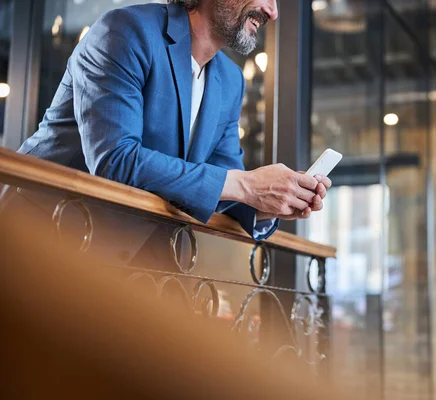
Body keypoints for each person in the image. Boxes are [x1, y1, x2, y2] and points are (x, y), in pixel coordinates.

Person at [16, 0, 332, 241]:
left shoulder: (231, 80)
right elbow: (114, 159)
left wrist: (270, 202)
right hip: (35, 236)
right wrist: (246, 185)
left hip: (114, 265)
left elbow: (222, 182)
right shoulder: (125, 31)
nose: (272, 11)